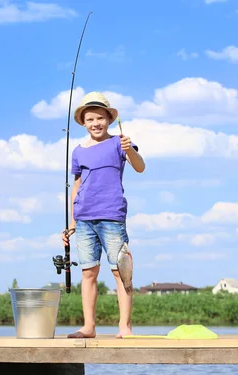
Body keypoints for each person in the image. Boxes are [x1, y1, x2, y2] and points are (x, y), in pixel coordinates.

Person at [61, 91, 145, 339]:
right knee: (88, 272)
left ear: (109, 119)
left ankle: (125, 327)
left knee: (121, 271)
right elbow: (77, 186)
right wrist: (72, 222)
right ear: (83, 123)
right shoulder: (78, 151)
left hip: (111, 215)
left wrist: (130, 150)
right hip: (84, 218)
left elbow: (140, 167)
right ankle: (88, 327)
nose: (95, 123)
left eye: (100, 118)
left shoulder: (119, 143)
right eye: (90, 119)